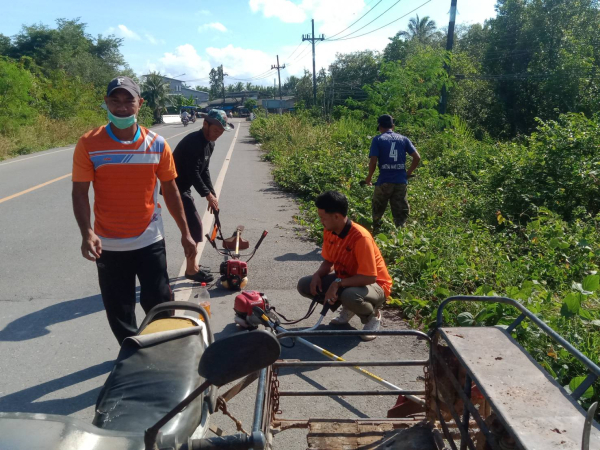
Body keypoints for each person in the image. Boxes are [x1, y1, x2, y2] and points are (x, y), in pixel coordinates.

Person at [72, 76, 197, 344]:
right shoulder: (89, 144)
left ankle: (162, 351)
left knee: (160, 304)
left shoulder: (157, 144)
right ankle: (131, 354)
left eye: (128, 101)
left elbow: (171, 190)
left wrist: (185, 232)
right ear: (106, 103)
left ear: (140, 104)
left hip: (149, 239)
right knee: (120, 311)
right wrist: (87, 233)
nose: (121, 107)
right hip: (109, 244)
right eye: (114, 101)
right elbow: (80, 192)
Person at [297, 191, 393, 340]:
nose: (321, 221)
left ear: (337, 216)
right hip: (348, 278)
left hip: (376, 285)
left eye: (323, 218)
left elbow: (369, 277)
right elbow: (329, 261)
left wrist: (337, 284)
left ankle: (372, 317)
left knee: (350, 294)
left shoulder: (361, 237)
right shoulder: (330, 230)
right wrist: (318, 275)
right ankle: (349, 307)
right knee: (305, 284)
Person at [172, 109, 234, 282]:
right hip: (175, 189)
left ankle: (193, 266)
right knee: (195, 228)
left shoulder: (209, 143)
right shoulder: (194, 142)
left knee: (194, 228)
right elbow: (193, 172)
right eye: (216, 130)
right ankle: (191, 270)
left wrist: (212, 194)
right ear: (205, 124)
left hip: (185, 188)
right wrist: (207, 195)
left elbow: (203, 169)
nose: (218, 135)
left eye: (221, 132)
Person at [365, 114, 421, 232]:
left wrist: (369, 178)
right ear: (393, 126)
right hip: (400, 182)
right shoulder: (404, 139)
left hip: (384, 181)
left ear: (380, 127)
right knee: (401, 216)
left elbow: (373, 161)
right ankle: (401, 239)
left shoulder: (378, 139)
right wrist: (408, 172)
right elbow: (417, 157)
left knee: (377, 211)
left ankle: (376, 233)